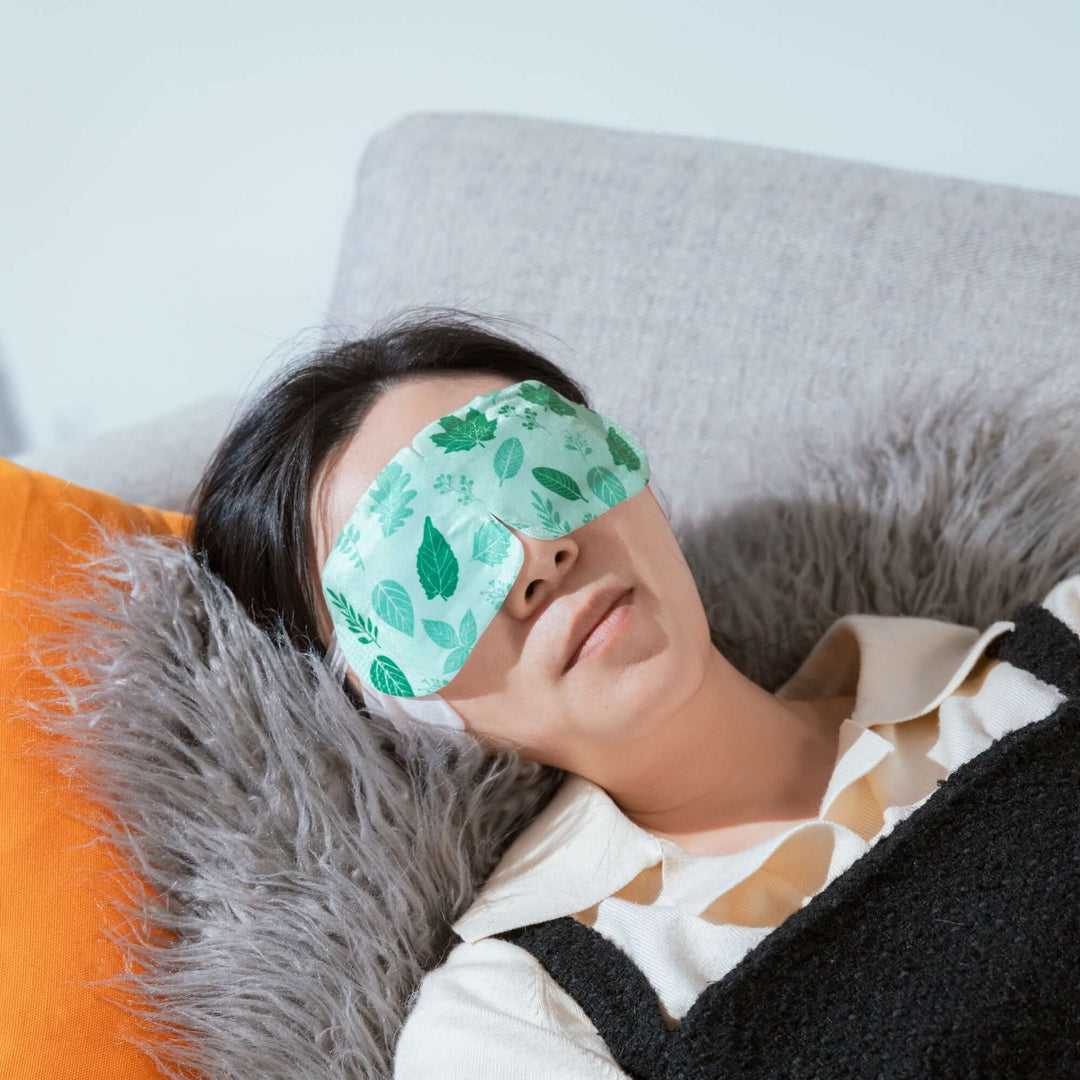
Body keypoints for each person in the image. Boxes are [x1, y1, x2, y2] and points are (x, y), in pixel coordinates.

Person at [187, 305, 1079, 1077]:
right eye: (428, 573)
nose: (534, 558)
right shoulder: (516, 1024)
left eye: (532, 459)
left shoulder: (1050, 664)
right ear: (384, 702)